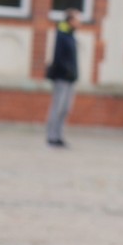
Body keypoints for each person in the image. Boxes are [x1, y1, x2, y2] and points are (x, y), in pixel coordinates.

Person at [44, 8, 80, 148]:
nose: (79, 23)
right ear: (70, 21)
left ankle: (59, 136)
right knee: (57, 107)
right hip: (62, 77)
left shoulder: (71, 35)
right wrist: (67, 71)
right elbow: (59, 58)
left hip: (71, 78)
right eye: (77, 20)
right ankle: (51, 137)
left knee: (66, 108)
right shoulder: (62, 34)